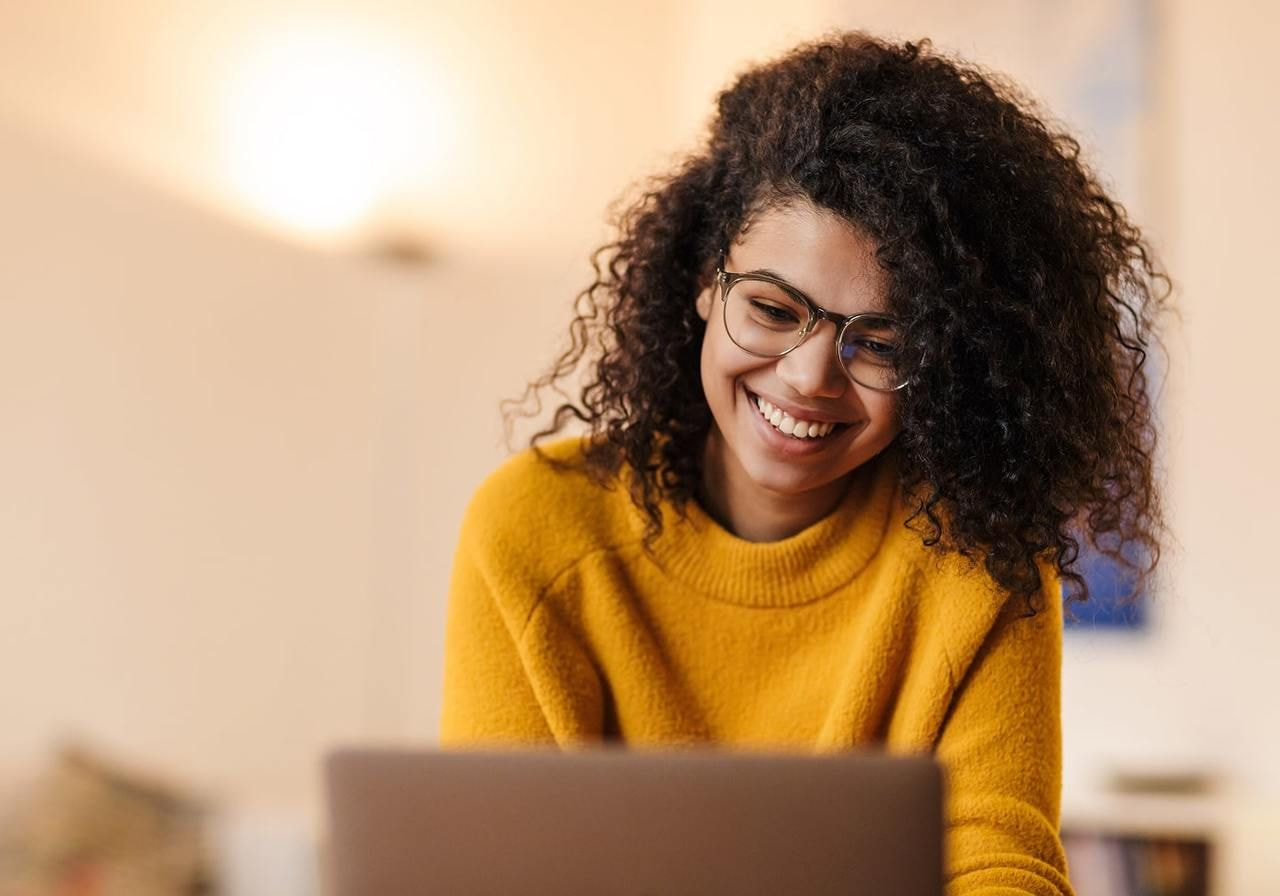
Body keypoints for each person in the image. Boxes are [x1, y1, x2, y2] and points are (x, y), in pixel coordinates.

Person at [439, 32, 1166, 896]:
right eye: (774, 309)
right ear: (705, 284)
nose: (809, 376)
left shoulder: (982, 563)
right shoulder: (533, 528)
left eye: (882, 342)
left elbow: (1000, 864)